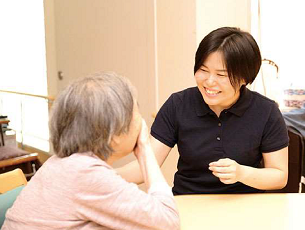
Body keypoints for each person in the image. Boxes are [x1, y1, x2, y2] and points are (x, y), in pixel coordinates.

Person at [117, 27, 289, 195]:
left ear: (245, 78)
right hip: (188, 202)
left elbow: (279, 176)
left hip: (246, 206)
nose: (209, 82)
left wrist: (241, 173)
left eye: (221, 75)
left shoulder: (266, 111)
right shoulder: (178, 104)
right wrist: (97, 177)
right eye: (203, 70)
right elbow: (146, 166)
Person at [2, 72, 180, 230]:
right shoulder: (87, 176)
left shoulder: (61, 163)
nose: (141, 121)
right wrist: (145, 149)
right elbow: (168, 220)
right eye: (135, 114)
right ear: (115, 133)